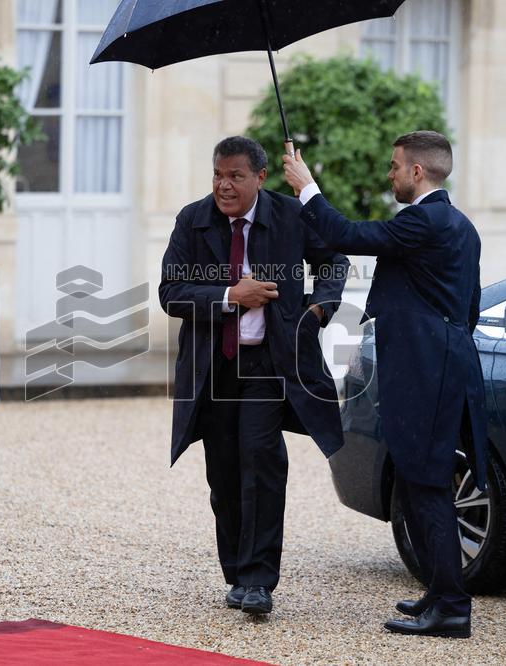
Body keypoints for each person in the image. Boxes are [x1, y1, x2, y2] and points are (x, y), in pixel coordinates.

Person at [282, 130, 486, 639]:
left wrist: (307, 187)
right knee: (419, 482)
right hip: (437, 365)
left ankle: (453, 608)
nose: (389, 174)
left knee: (425, 482)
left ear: (418, 172)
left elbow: (348, 235)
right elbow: (471, 309)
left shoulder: (425, 221)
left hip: (425, 372)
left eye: (395, 166)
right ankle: (440, 592)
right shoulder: (460, 225)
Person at [159, 136, 349, 615]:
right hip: (215, 367)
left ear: (260, 177)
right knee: (224, 474)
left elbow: (334, 260)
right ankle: (237, 572)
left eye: (235, 176)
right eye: (218, 174)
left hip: (268, 365)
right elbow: (170, 293)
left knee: (262, 462)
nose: (224, 185)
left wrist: (321, 308)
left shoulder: (289, 216)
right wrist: (229, 295)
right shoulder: (192, 219)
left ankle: (259, 580)